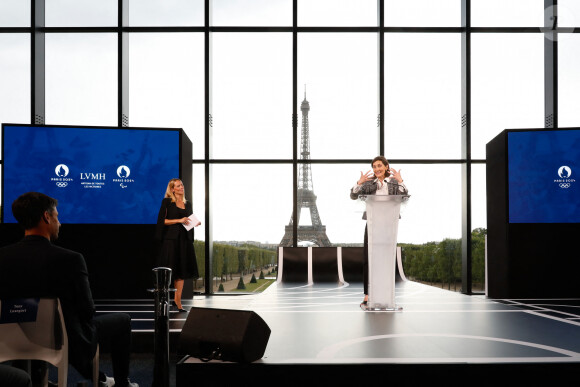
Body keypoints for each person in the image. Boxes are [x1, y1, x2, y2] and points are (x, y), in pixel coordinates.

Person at [0, 192, 138, 387]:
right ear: (46, 217)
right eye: (57, 216)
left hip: (12, 341)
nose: (60, 223)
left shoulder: (3, 257)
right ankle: (122, 383)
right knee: (122, 321)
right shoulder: (70, 259)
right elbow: (87, 311)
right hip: (63, 342)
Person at [350, 156, 408, 306]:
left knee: (386, 259)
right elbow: (353, 195)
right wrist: (359, 183)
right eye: (374, 166)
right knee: (368, 259)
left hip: (389, 224)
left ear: (386, 166)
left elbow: (405, 196)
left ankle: (388, 296)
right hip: (372, 223)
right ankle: (368, 295)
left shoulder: (394, 182)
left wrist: (401, 181)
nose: (377, 169)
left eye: (379, 166)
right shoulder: (369, 184)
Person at [155, 178, 200, 312]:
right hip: (171, 240)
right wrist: (179, 220)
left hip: (184, 240)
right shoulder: (167, 202)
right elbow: (162, 221)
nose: (182, 187)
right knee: (169, 271)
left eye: (182, 185)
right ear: (172, 189)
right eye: (178, 186)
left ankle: (178, 302)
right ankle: (164, 300)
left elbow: (189, 219)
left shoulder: (188, 203)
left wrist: (195, 222)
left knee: (182, 271)